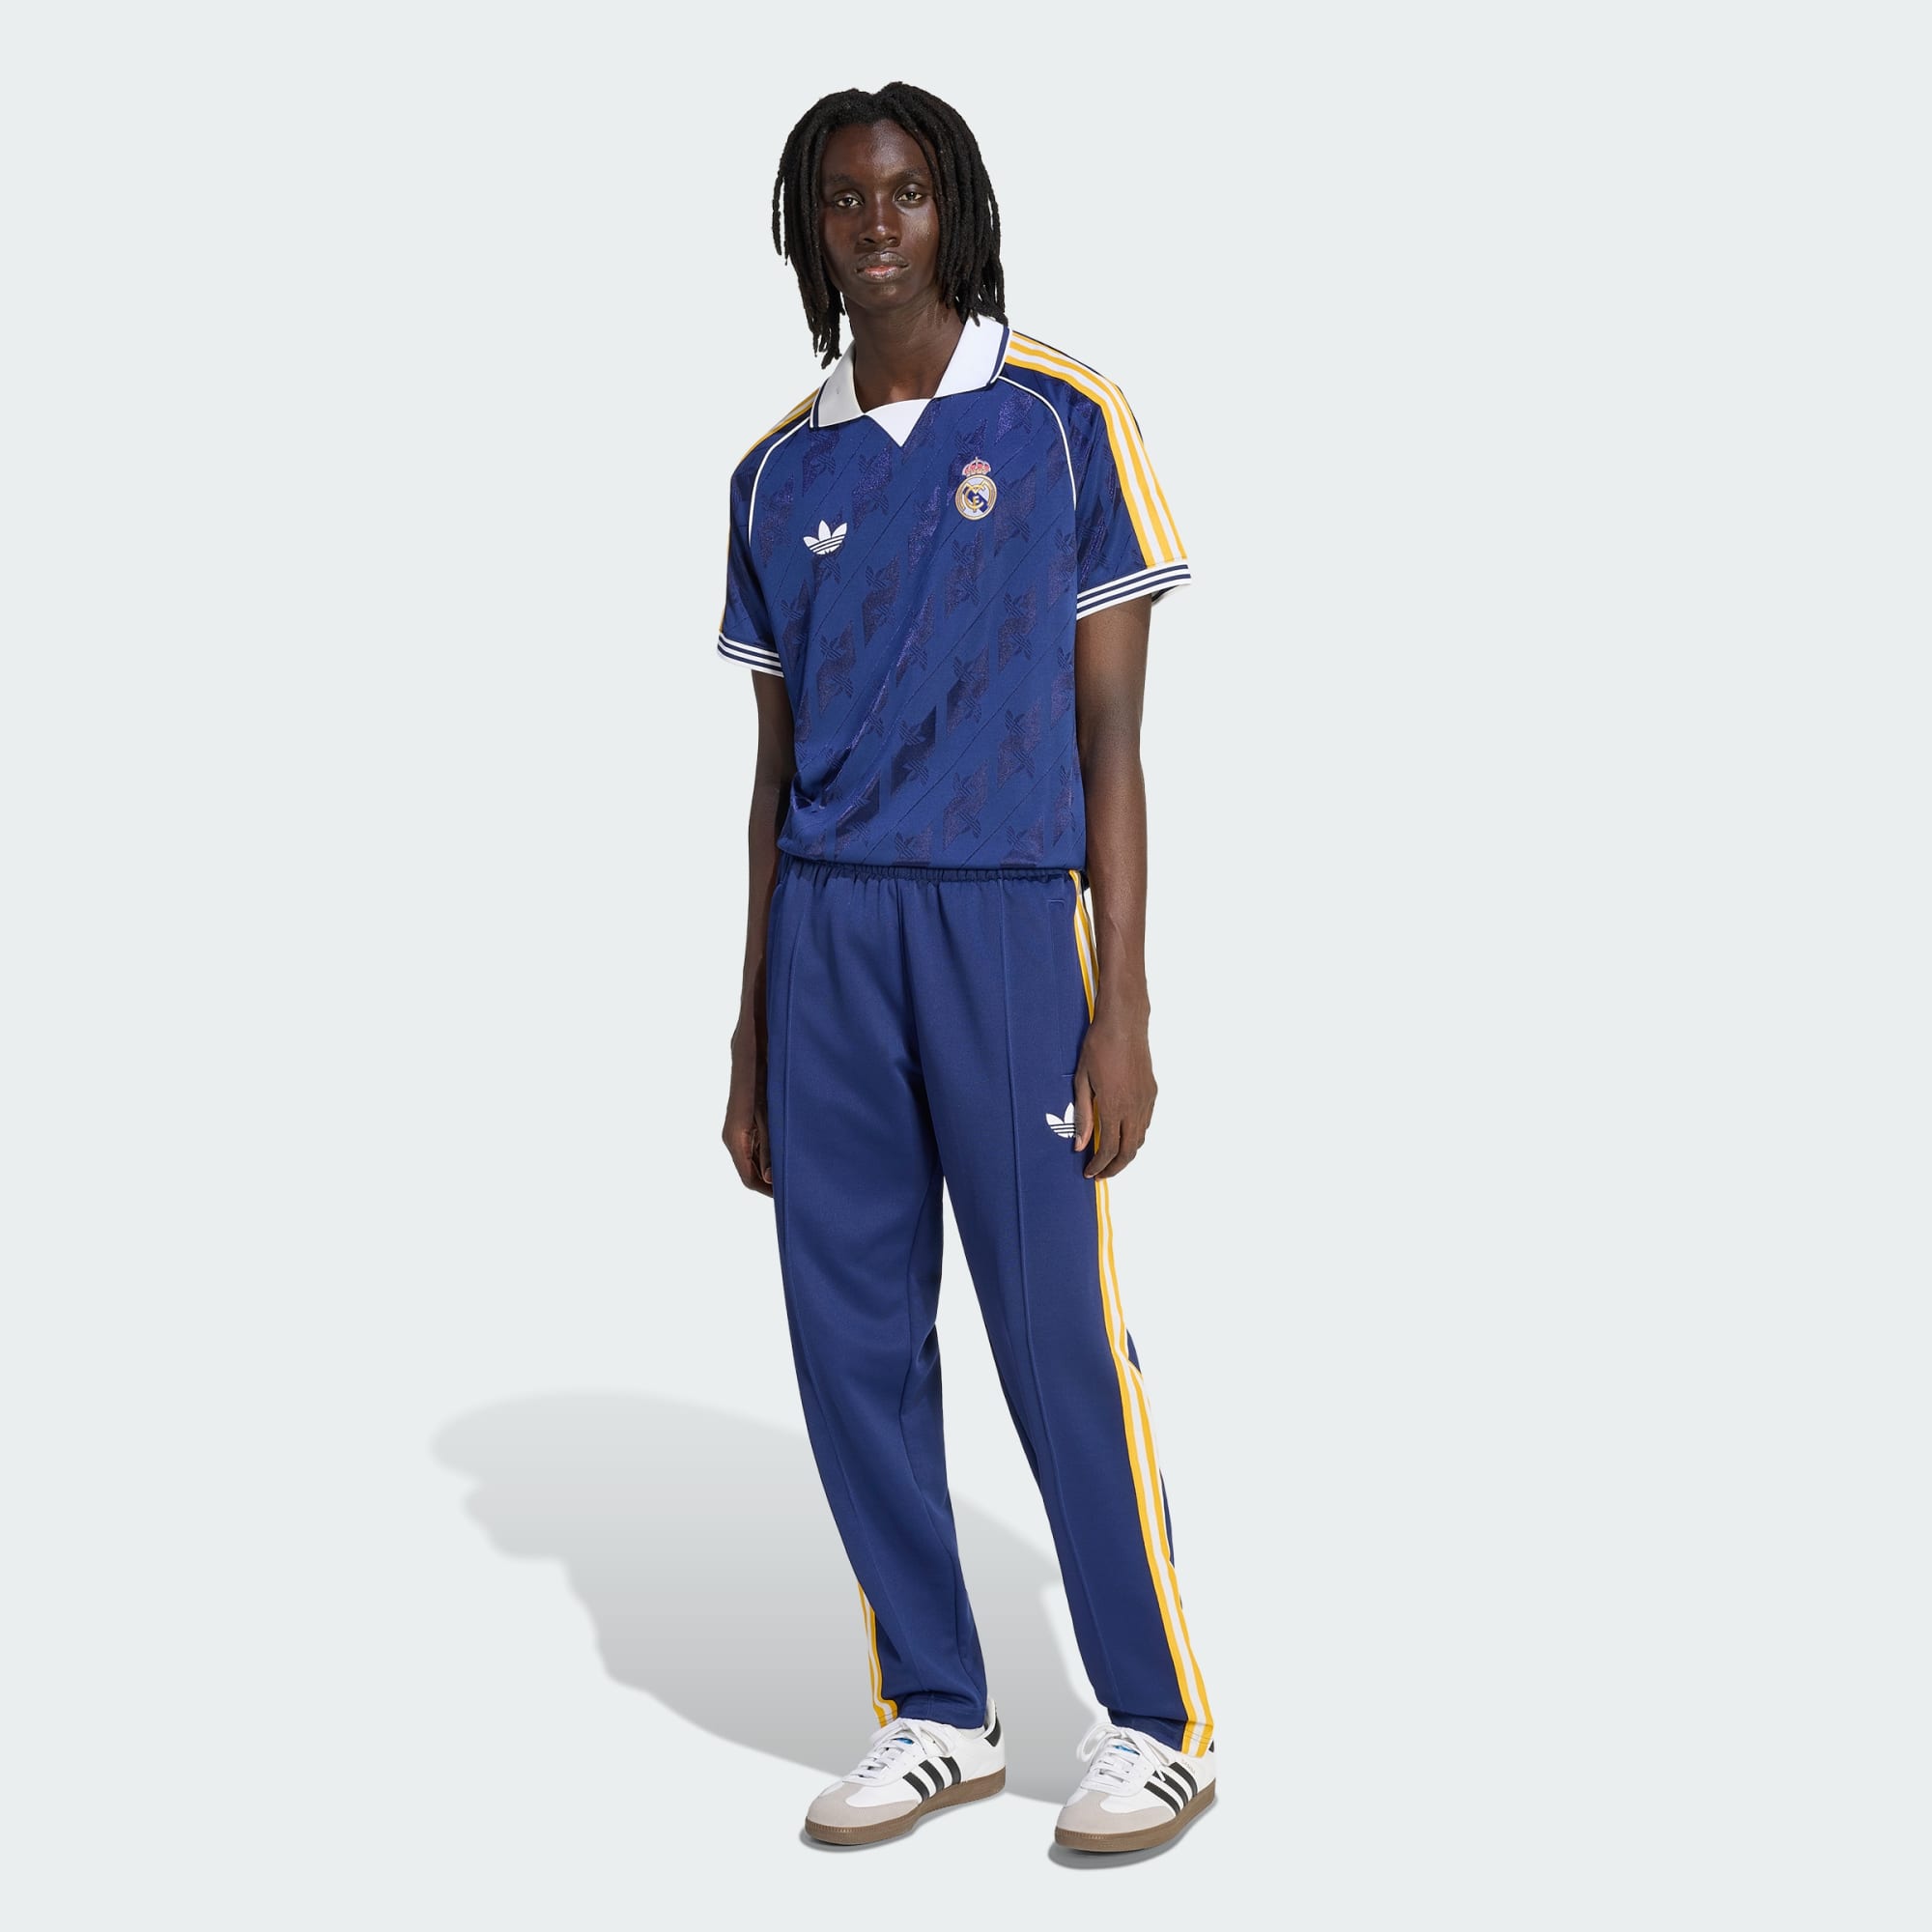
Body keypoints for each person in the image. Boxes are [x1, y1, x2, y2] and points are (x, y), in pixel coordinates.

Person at [717, 81, 1216, 1855]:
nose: (876, 227)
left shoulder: (1067, 422)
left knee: (1053, 1337)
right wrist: (753, 1029)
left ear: (958, 213)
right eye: (845, 198)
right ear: (809, 224)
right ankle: (936, 1708)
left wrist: (1124, 1002)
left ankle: (1153, 1720)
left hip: (1007, 918)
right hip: (831, 934)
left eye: (907, 194)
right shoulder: (775, 473)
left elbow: (1114, 744)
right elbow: (775, 772)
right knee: (851, 1341)